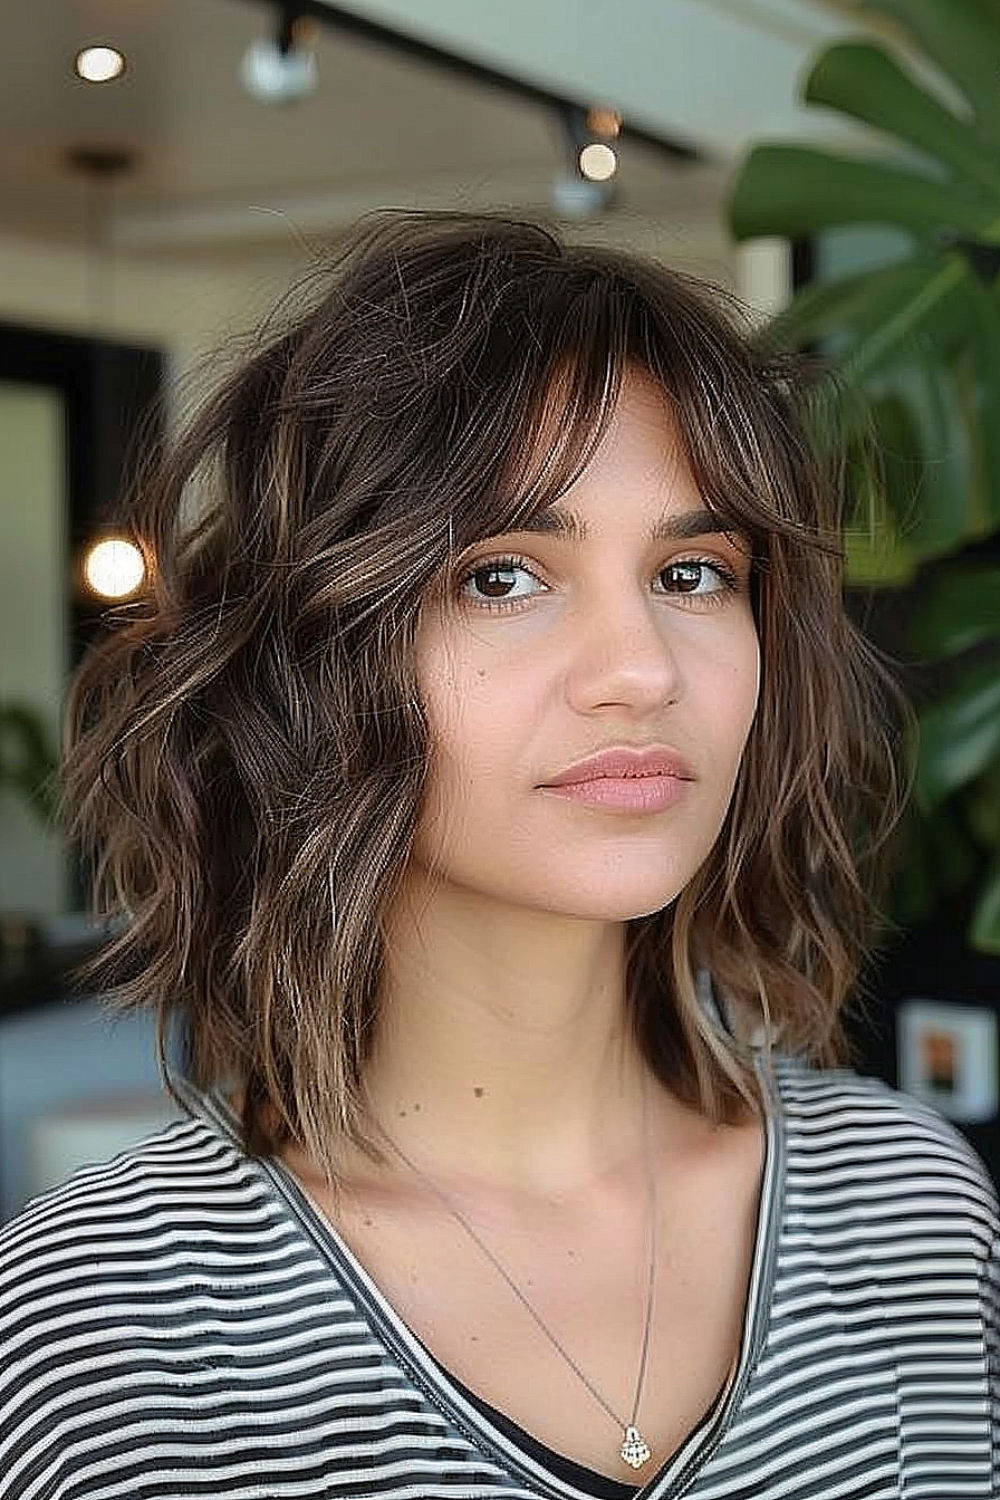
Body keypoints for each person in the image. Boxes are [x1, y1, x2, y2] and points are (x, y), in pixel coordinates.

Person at [0, 209, 996, 1500]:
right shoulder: (97, 1328)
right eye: (502, 577)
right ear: (312, 659)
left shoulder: (910, 1208)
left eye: (693, 573)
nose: (641, 669)